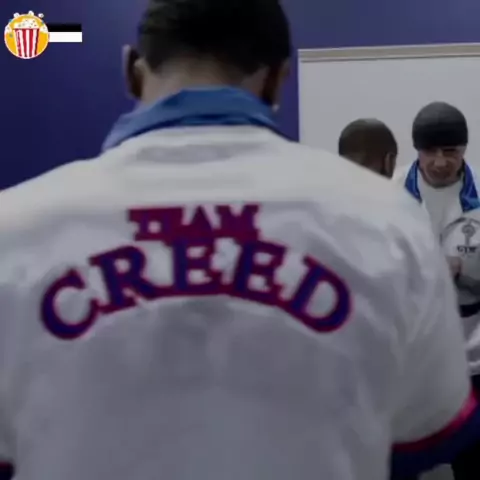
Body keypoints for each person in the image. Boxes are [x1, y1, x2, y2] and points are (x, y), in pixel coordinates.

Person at [0, 1, 477, 479]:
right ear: (278, 79)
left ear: (131, 70)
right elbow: (423, 435)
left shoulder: (16, 227)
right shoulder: (388, 222)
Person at [395, 101, 480, 480]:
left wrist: (469, 273)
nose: (441, 161)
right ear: (417, 149)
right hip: (409, 360)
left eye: (451, 151)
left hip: (472, 360)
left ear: (464, 149)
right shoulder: (388, 194)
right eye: (430, 151)